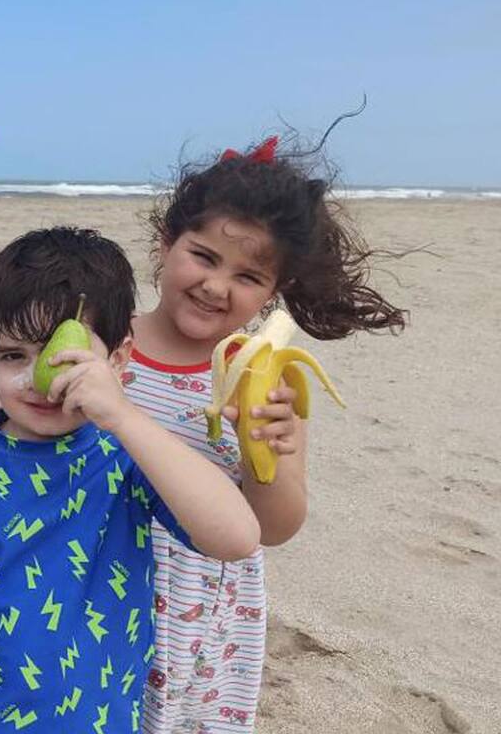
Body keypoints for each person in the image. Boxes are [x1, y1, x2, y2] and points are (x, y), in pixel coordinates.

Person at [0, 226, 261, 733]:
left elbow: (237, 538)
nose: (39, 379)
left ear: (118, 357)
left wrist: (124, 417)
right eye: (12, 355)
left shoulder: (128, 456)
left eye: (63, 356)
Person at [130, 135, 407, 732]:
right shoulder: (107, 346)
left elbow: (276, 527)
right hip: (97, 585)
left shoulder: (269, 381)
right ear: (165, 243)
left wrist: (269, 454)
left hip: (199, 614)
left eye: (248, 276)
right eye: (203, 256)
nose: (216, 286)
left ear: (272, 292)